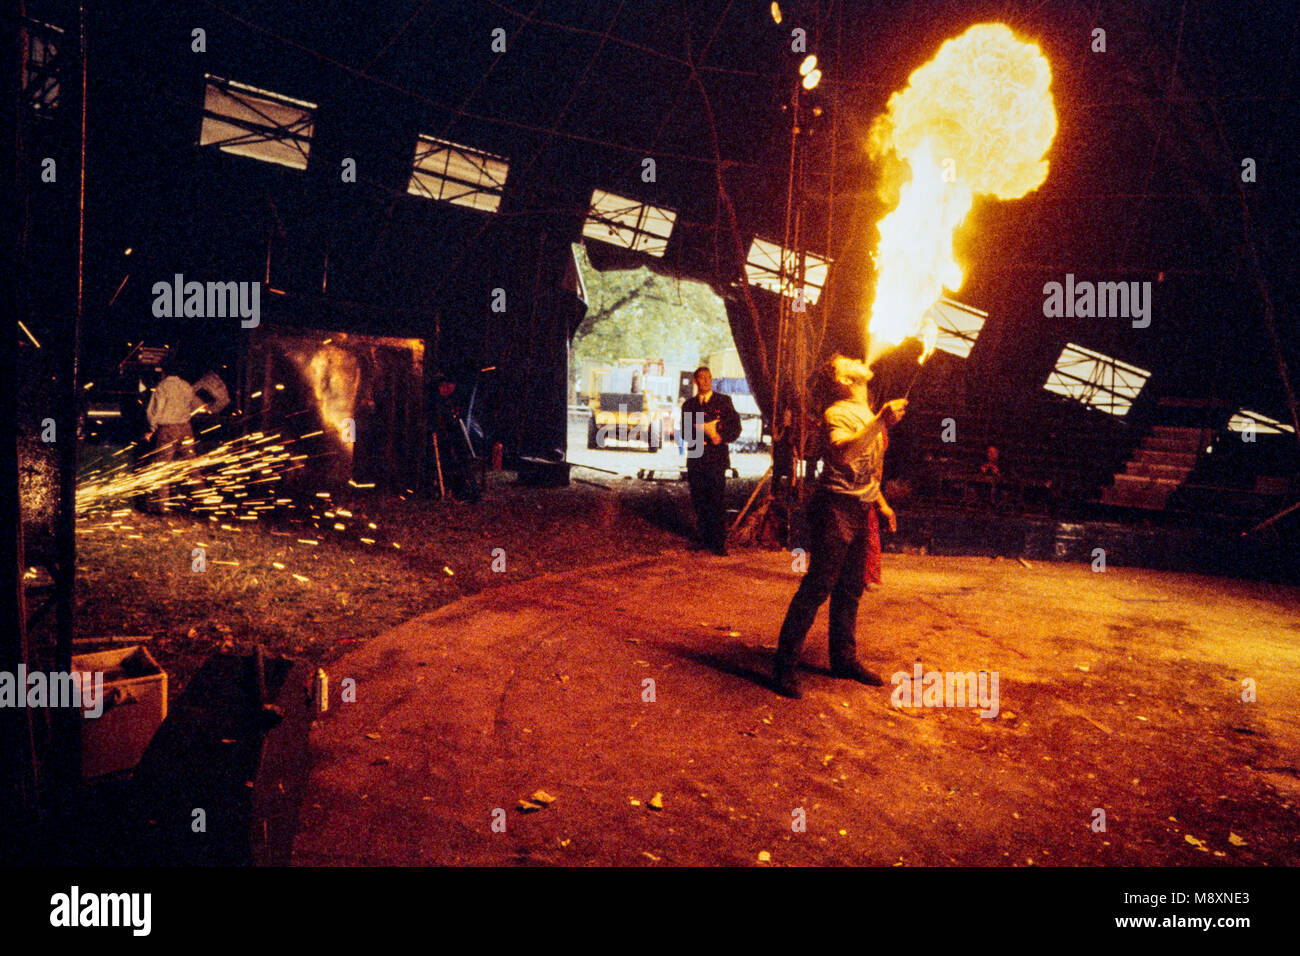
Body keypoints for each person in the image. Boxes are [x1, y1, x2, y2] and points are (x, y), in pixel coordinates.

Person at [773, 355, 907, 699]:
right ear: (845, 380)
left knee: (851, 588)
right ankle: (783, 667)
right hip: (835, 507)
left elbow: (870, 470)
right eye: (848, 362)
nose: (859, 359)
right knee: (818, 586)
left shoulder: (867, 412)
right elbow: (844, 456)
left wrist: (881, 503)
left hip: (861, 507)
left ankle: (843, 659)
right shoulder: (837, 413)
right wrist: (879, 422)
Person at [681, 366, 741, 556]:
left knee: (716, 500)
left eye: (708, 378)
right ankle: (703, 539)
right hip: (697, 458)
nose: (705, 381)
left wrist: (721, 437)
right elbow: (685, 431)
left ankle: (718, 542)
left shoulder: (723, 402)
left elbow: (735, 427)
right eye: (701, 378)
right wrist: (704, 433)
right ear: (695, 381)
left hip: (716, 459)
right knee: (699, 500)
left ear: (712, 380)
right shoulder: (689, 405)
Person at [144, 355, 205, 511]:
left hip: (168, 430)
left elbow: (154, 412)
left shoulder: (162, 387)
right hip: (186, 429)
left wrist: (151, 429)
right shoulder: (186, 386)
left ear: (164, 370)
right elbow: (197, 407)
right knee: (192, 467)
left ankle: (163, 507)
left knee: (162, 468)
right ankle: (204, 502)